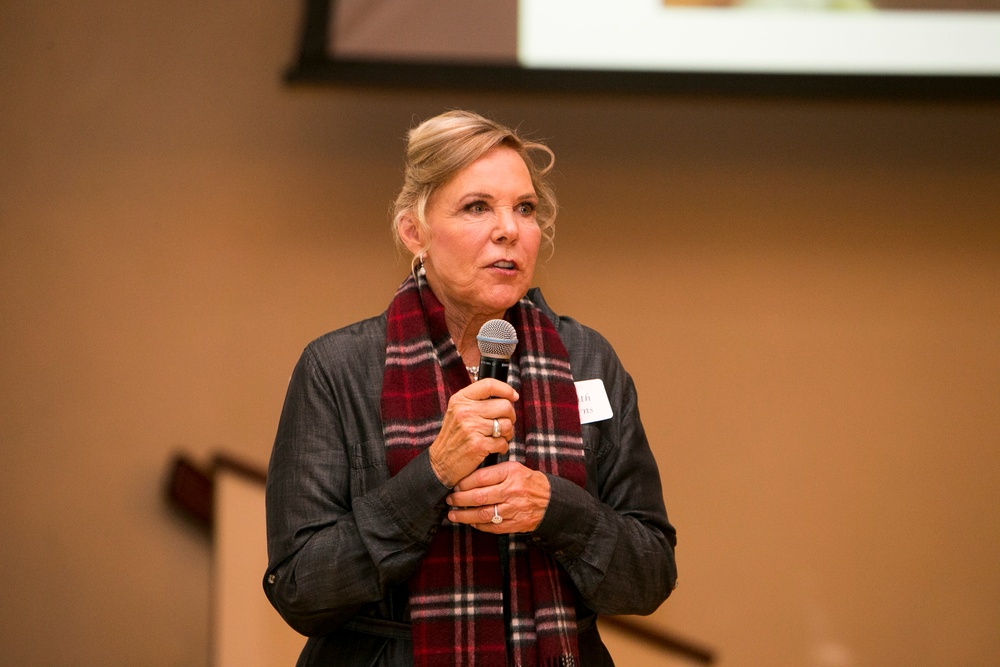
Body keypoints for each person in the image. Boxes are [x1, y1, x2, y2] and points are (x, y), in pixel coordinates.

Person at [264, 110, 677, 666]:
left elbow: (650, 576)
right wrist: (433, 472)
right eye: (477, 207)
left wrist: (556, 509)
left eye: (525, 209)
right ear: (415, 232)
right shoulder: (338, 368)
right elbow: (300, 591)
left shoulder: (587, 359)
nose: (509, 229)